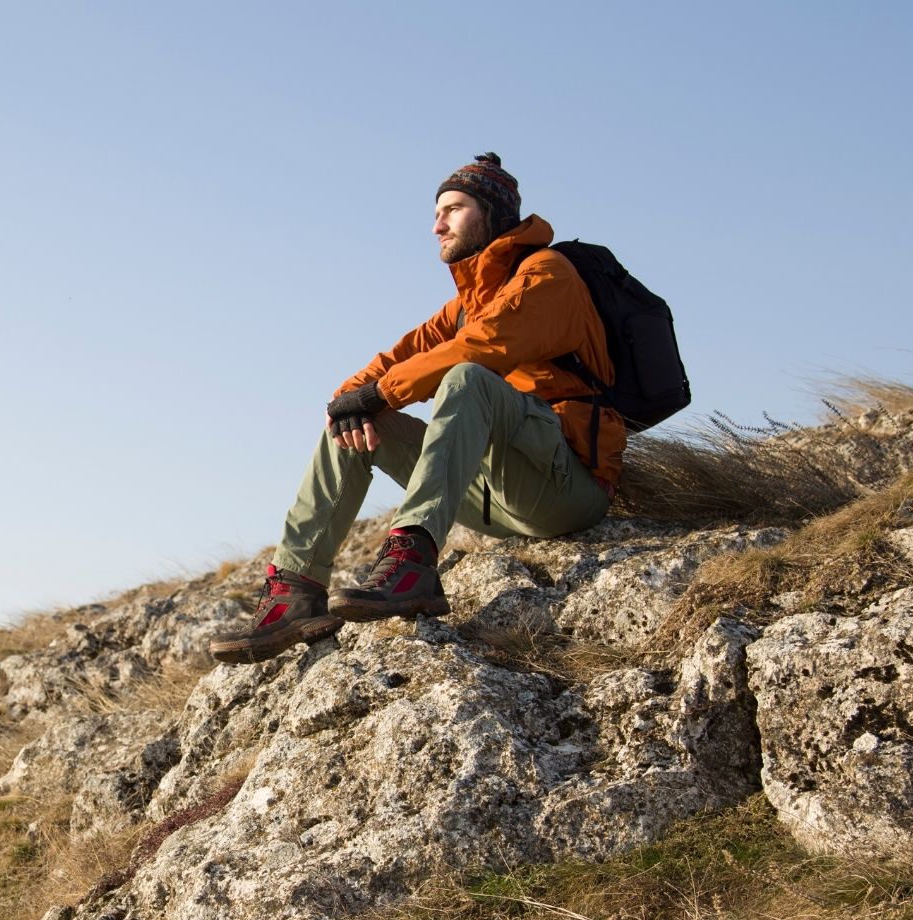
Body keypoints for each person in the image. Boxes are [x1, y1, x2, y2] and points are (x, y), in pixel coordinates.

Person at [210, 153, 623, 665]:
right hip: (492, 496)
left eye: (453, 208)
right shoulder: (468, 302)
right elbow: (401, 356)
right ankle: (296, 590)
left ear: (494, 216)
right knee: (358, 420)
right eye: (436, 213)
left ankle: (412, 563)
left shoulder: (547, 276)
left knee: (467, 378)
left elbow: (479, 349)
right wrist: (349, 401)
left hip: (565, 487)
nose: (437, 225)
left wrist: (377, 394)